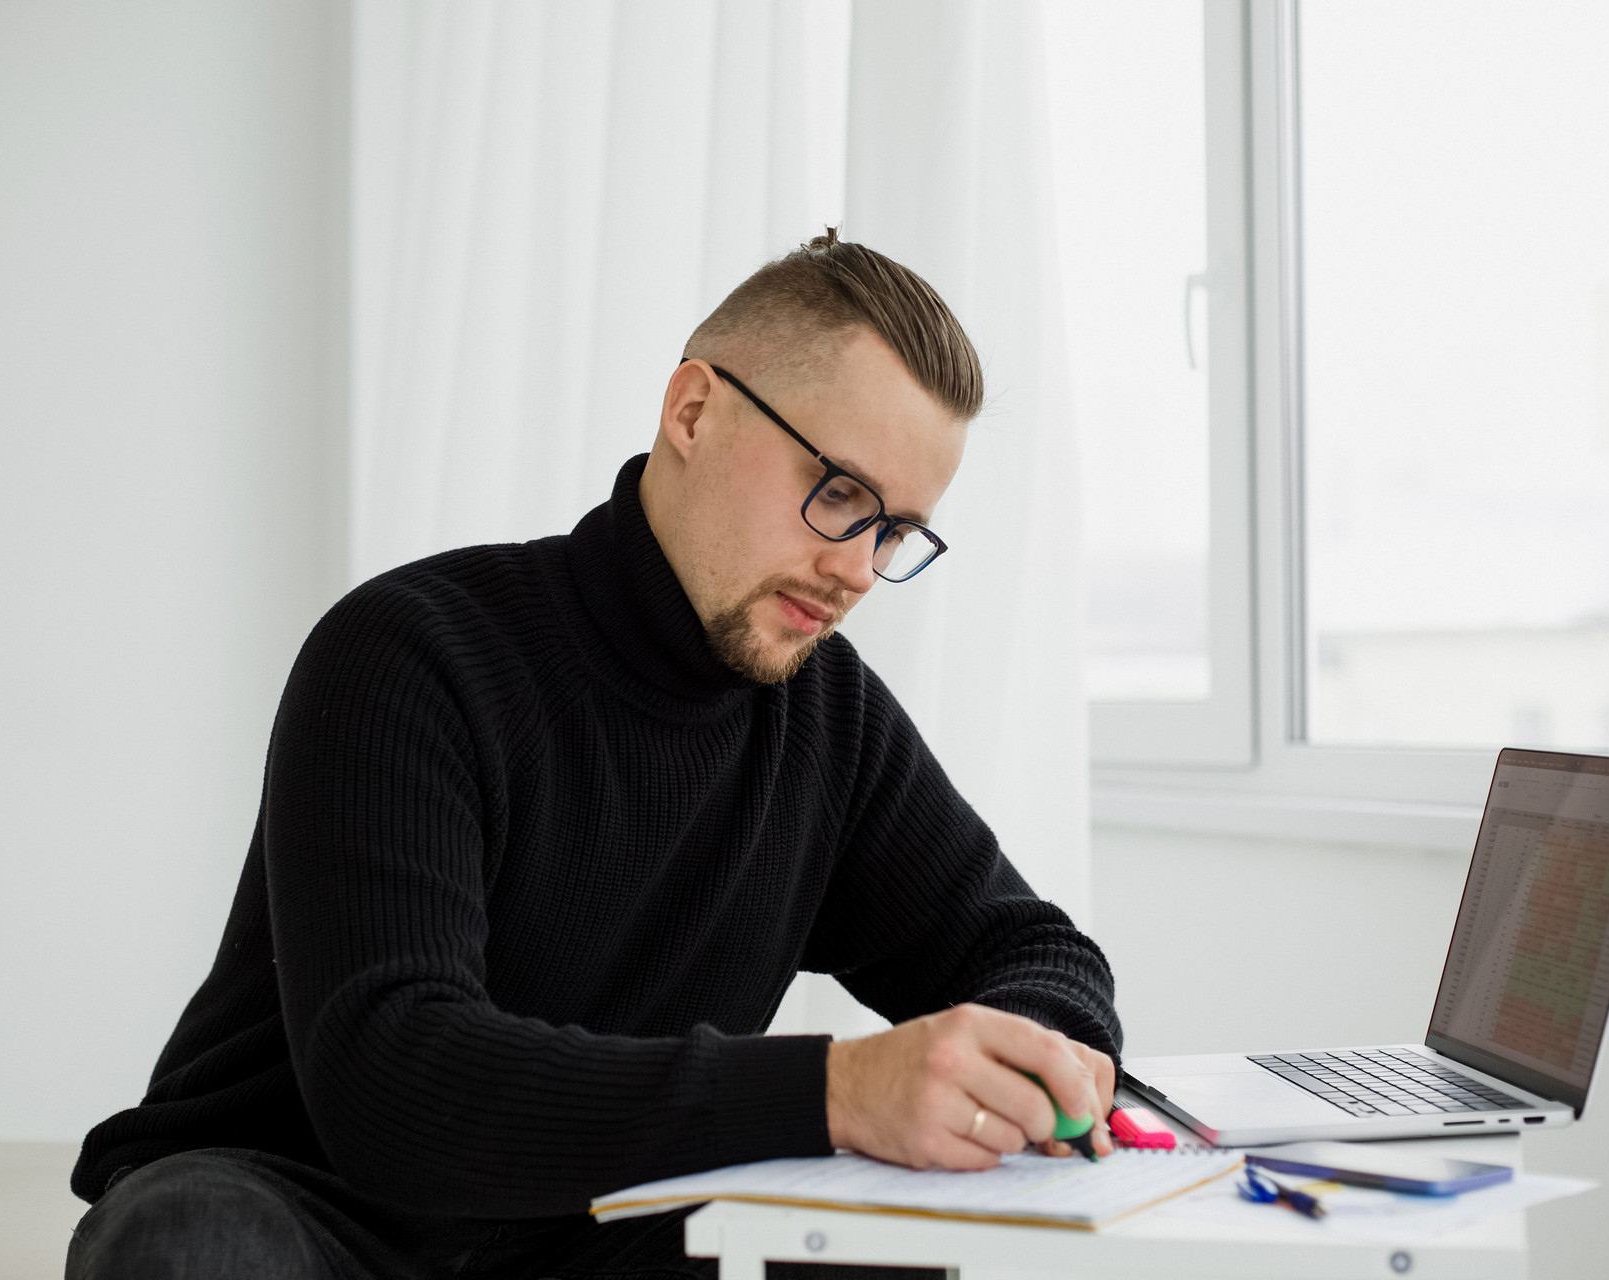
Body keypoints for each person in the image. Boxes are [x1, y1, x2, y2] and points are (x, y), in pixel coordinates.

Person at [66, 231, 1122, 1280]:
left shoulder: (828, 720)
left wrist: (1021, 1071)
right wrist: (840, 1091)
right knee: (190, 1243)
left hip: (598, 1232)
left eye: (893, 531)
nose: (854, 566)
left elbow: (1040, 955)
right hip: (314, 1211)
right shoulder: (409, 653)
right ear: (694, 411)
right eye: (837, 491)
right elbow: (396, 1085)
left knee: (895, 1258)